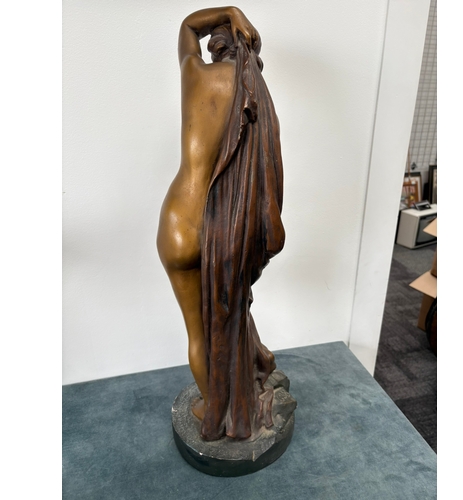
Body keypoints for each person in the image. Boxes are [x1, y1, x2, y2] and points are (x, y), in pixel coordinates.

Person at [157, 7, 285, 441]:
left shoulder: (195, 74)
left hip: (179, 220)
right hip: (227, 230)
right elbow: (268, 182)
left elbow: (187, 27)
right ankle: (229, 409)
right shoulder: (258, 97)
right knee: (228, 318)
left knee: (199, 333)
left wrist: (230, 11)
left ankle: (213, 406)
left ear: (215, 49)